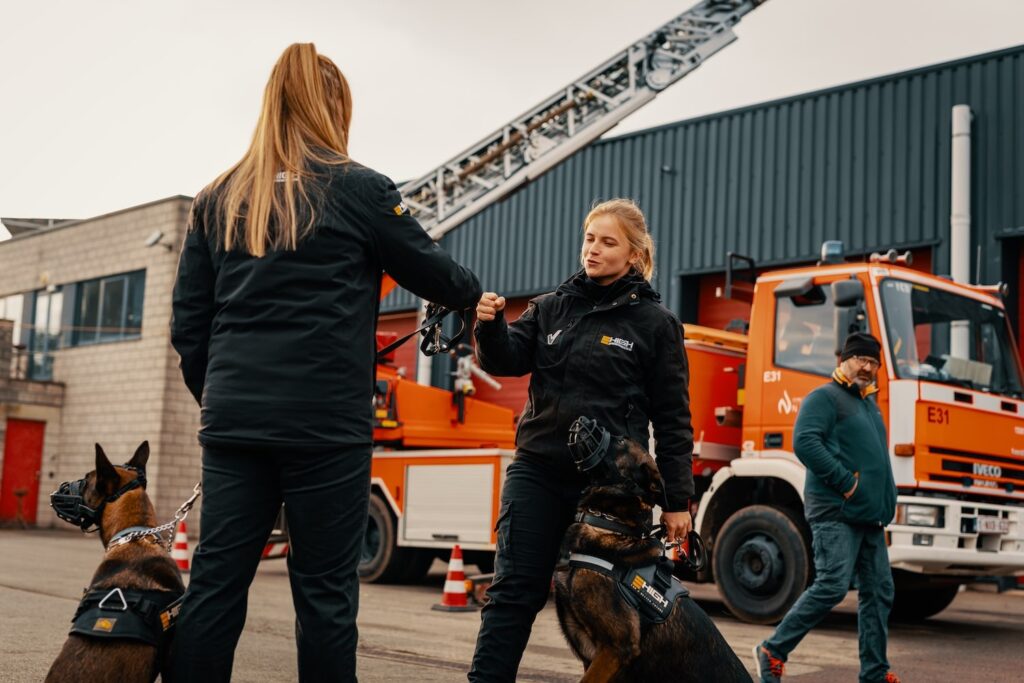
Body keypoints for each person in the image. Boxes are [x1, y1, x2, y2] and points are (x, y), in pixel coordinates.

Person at [168, 43, 481, 683]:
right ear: (332, 107)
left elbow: (188, 329)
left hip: (235, 425)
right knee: (326, 597)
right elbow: (441, 278)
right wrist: (478, 297)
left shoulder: (216, 198)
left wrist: (225, 400)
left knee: (215, 586)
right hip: (325, 429)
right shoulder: (360, 189)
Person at [468, 198, 695, 682]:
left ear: (633, 255)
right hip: (538, 473)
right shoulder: (551, 308)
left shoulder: (655, 324)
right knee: (513, 593)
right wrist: (488, 326)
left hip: (610, 494)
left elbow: (674, 420)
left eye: (607, 242)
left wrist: (678, 501)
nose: (592, 249)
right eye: (589, 238)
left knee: (612, 612)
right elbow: (505, 359)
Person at [753, 332, 900, 683]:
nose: (867, 367)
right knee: (833, 585)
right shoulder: (825, 398)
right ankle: (773, 650)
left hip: (870, 515)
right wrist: (847, 483)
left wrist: (886, 498)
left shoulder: (869, 405)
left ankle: (875, 673)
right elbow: (804, 442)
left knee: (880, 591)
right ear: (843, 360)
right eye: (861, 359)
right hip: (836, 511)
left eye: (873, 363)